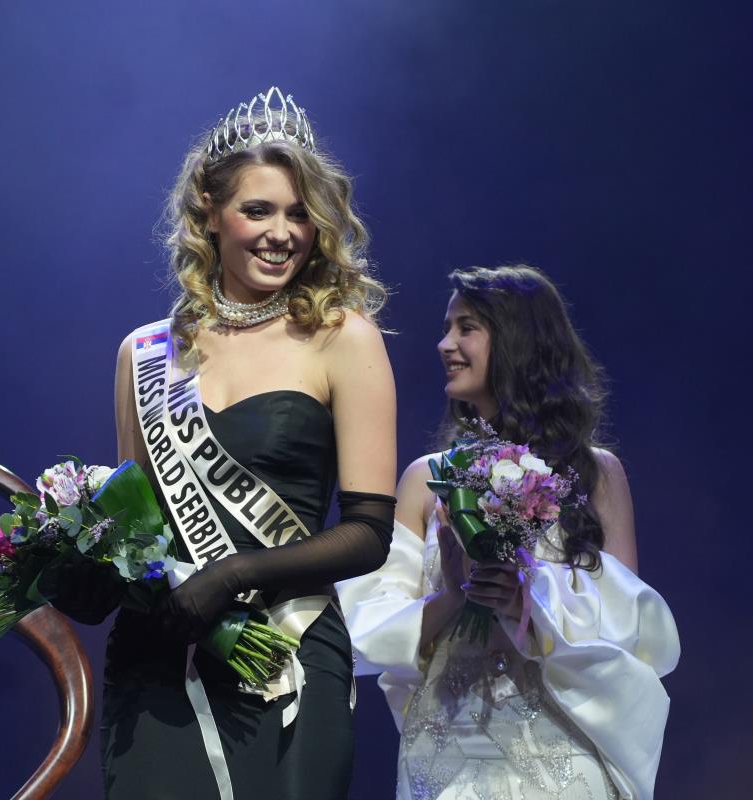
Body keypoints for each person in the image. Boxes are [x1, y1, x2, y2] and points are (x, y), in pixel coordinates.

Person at [55, 87, 398, 800]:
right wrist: (79, 570)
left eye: (300, 214)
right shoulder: (145, 354)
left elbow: (369, 534)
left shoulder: (342, 337)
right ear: (210, 213)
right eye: (259, 210)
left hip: (287, 649)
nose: (283, 233)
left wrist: (230, 574)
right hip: (162, 659)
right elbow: (137, 527)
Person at [338, 265, 680, 799]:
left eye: (466, 328)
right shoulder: (426, 481)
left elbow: (626, 625)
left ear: (518, 340)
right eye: (446, 329)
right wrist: (451, 597)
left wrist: (528, 601)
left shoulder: (595, 473)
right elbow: (367, 624)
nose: (445, 345)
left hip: (558, 751)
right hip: (447, 750)